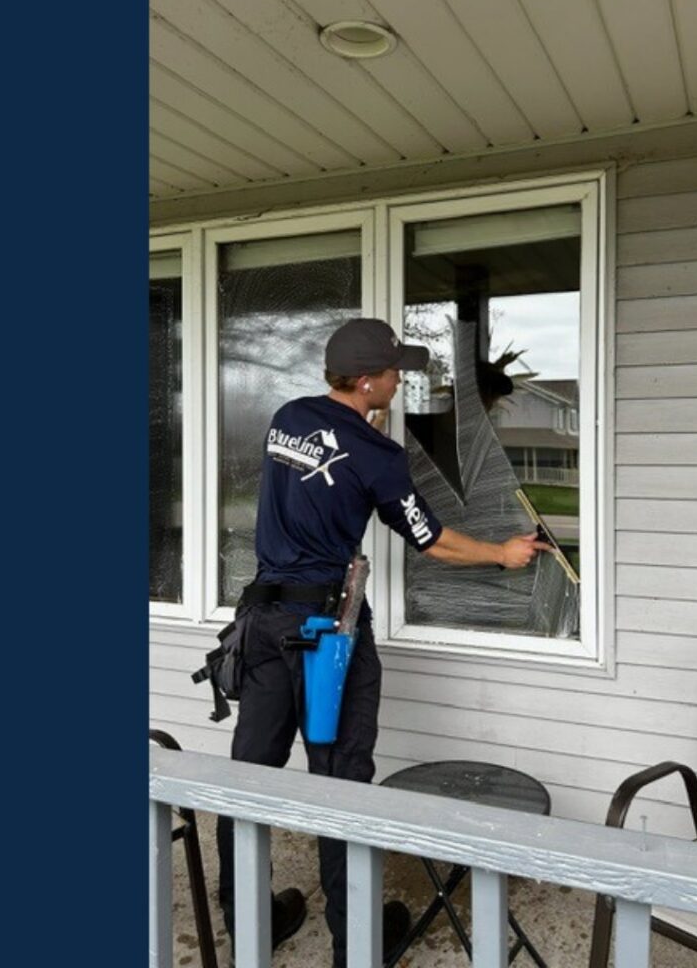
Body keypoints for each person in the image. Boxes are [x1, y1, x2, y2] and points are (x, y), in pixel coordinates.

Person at [217, 316, 550, 968]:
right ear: (367, 381)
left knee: (245, 780)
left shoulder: (288, 418)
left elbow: (318, 479)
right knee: (342, 784)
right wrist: (502, 554)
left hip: (262, 625)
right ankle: (356, 946)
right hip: (326, 639)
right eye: (394, 371)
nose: (401, 379)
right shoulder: (377, 456)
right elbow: (433, 539)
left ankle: (247, 924)